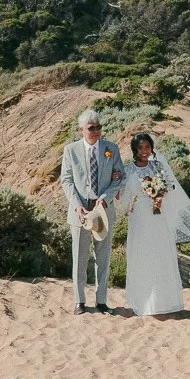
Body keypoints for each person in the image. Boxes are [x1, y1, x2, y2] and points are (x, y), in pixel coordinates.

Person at [115, 131, 190, 317]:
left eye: (147, 147)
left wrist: (159, 196)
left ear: (151, 148)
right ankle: (144, 302)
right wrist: (116, 187)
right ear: (134, 149)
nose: (144, 151)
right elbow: (123, 197)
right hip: (139, 217)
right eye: (140, 147)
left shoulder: (158, 167)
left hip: (158, 216)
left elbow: (169, 187)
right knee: (142, 256)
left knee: (160, 254)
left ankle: (164, 302)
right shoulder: (129, 170)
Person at [58, 108, 123, 314]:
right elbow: (66, 180)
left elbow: (118, 177)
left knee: (103, 258)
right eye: (91, 128)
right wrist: (77, 204)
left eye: (99, 127)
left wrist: (105, 198)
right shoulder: (71, 150)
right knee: (80, 257)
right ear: (81, 130)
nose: (96, 131)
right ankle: (80, 301)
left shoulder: (111, 149)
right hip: (80, 212)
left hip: (102, 210)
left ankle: (102, 301)